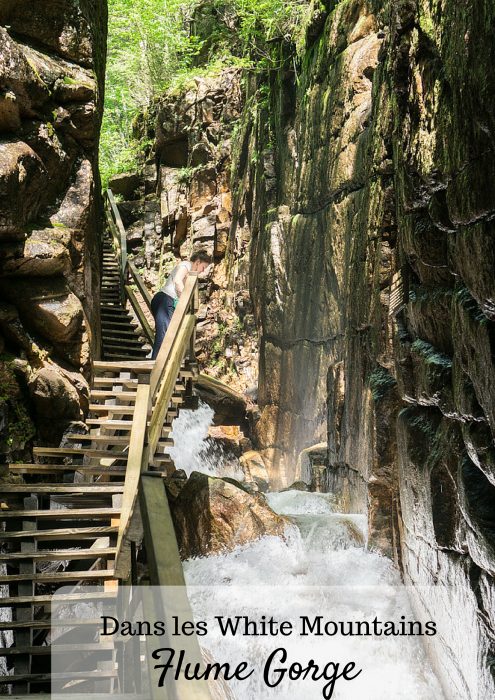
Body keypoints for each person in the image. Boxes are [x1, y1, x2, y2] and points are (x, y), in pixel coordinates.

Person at [150, 250, 211, 360]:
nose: (203, 271)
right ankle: (156, 364)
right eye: (203, 267)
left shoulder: (191, 275)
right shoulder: (186, 265)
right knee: (165, 334)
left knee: (168, 334)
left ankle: (158, 362)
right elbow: (177, 281)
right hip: (165, 300)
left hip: (168, 302)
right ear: (197, 262)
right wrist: (185, 299)